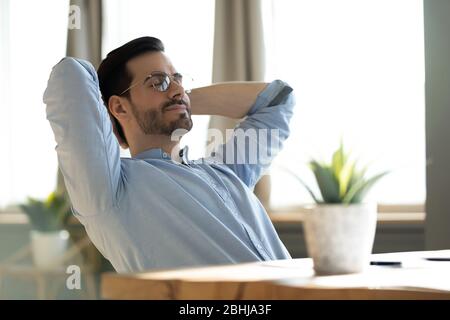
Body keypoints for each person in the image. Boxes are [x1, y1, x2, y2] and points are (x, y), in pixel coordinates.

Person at [44, 36, 295, 273]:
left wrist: (180, 101)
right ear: (119, 106)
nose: (177, 89)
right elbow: (70, 76)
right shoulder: (111, 190)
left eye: (178, 80)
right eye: (157, 82)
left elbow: (279, 100)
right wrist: (168, 102)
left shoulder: (226, 171)